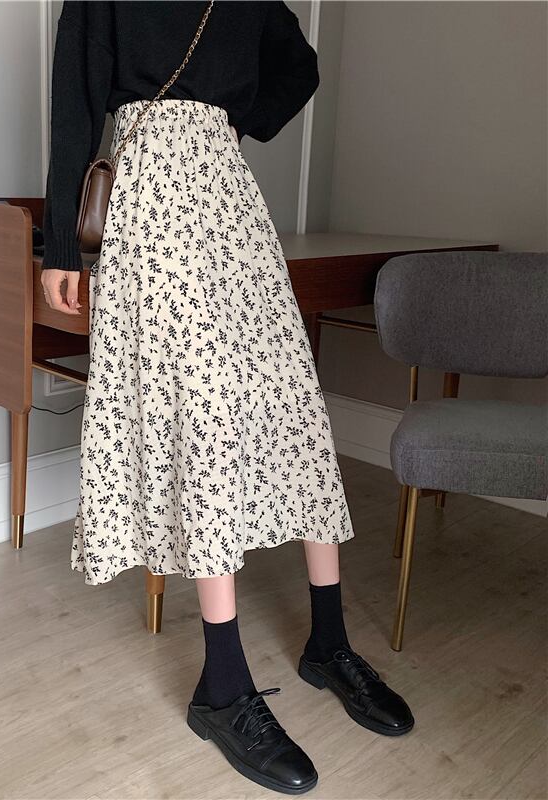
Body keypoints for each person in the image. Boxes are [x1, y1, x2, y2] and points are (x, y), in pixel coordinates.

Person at [40, 1, 414, 794]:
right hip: (151, 203)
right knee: (204, 421)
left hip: (230, 201)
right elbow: (74, 104)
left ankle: (329, 643)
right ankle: (223, 684)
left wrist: (230, 120)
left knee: (293, 408)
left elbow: (298, 66)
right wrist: (60, 247)